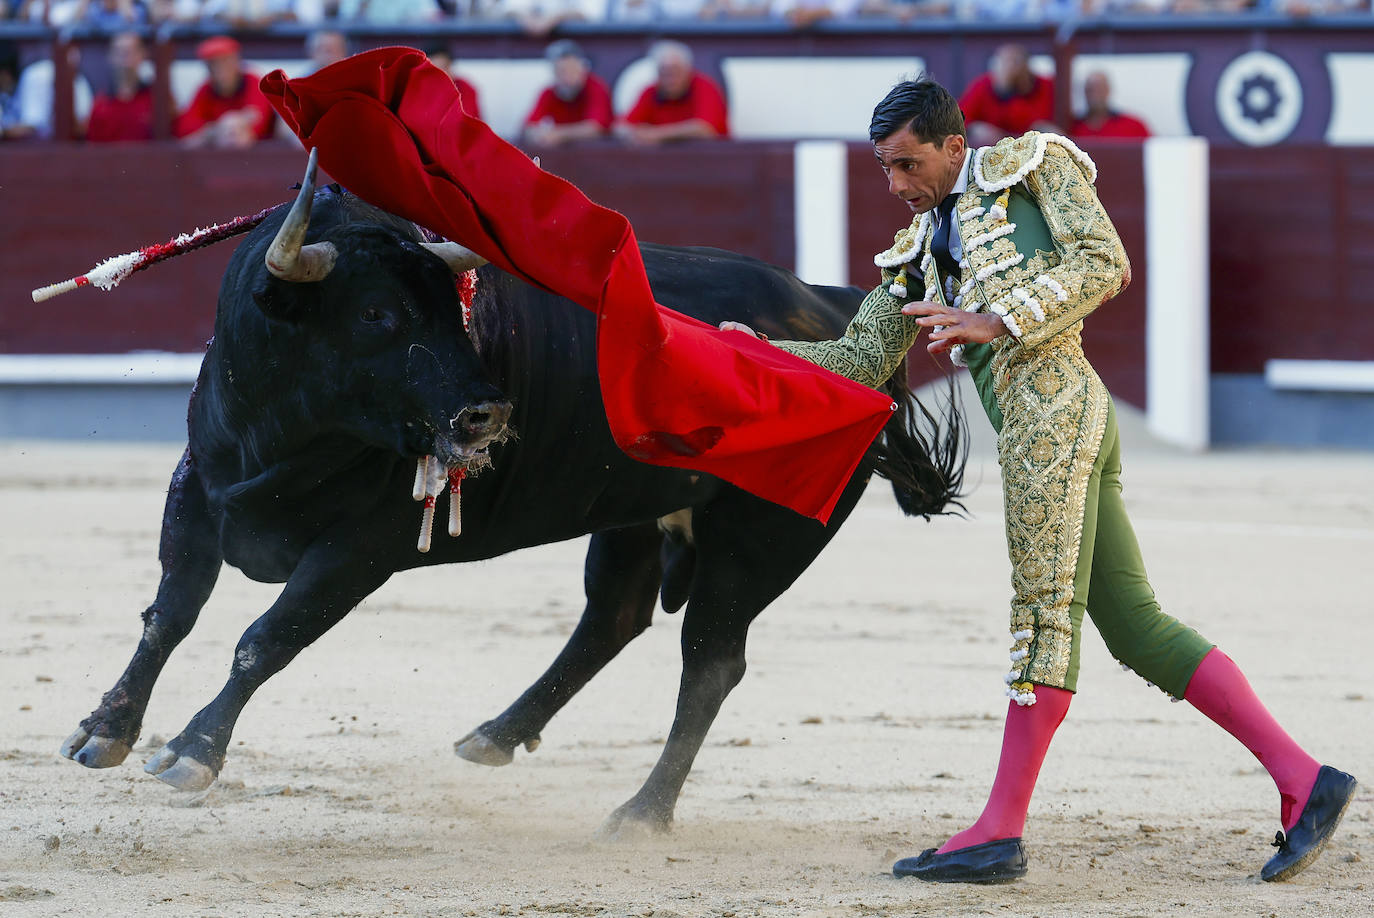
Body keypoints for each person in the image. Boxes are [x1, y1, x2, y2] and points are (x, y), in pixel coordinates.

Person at [718, 77, 1356, 884]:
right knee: (1135, 627)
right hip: (1048, 426)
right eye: (885, 167)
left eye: (909, 164)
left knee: (1041, 618)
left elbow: (1106, 260)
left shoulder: (1030, 167)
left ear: (955, 147)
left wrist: (998, 319)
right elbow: (859, 358)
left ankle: (999, 830)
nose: (897, 185)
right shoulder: (917, 249)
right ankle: (1305, 780)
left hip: (1055, 419)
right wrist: (758, 353)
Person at [616, 40, 728, 145]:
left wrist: (656, 134)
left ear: (688, 69)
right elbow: (621, 127)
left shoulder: (705, 87)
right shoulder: (651, 92)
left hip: (709, 156)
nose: (671, 78)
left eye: (675, 71)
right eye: (665, 72)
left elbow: (705, 129)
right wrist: (633, 134)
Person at [173, 35, 276, 149]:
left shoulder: (253, 82)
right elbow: (185, 129)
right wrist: (217, 129)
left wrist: (217, 129)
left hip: (260, 155)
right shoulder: (206, 89)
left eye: (225, 61)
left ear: (236, 61)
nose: (220, 69)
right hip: (218, 156)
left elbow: (257, 124)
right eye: (214, 63)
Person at [959, 43, 1058, 147]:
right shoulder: (982, 85)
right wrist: (974, 129)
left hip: (1036, 148)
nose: (1010, 68)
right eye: (1004, 63)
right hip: (994, 148)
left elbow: (1062, 125)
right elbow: (959, 119)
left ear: (1026, 66)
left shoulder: (1048, 86)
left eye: (1015, 63)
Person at [521, 39, 612, 148]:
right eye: (562, 71)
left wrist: (559, 134)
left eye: (572, 70)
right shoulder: (549, 93)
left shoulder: (596, 88)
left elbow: (596, 128)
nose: (568, 77)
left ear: (582, 68)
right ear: (554, 72)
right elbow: (529, 127)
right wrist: (539, 135)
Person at [86, 30, 154, 142]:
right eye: (120, 52)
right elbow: (93, 145)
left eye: (131, 51)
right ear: (111, 56)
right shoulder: (101, 104)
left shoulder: (155, 99)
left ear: (142, 55)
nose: (125, 58)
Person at [1071, 71, 1150, 140]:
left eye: (1100, 89)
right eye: (1091, 90)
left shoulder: (1133, 126)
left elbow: (1153, 148)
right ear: (1085, 92)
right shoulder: (1073, 126)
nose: (1095, 95)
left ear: (1108, 90)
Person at [423, 43, 481, 119]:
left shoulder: (465, 89)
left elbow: (472, 121)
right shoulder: (419, 91)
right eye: (435, 70)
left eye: (444, 67)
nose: (441, 73)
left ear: (450, 65)